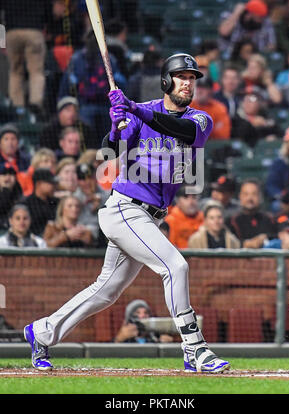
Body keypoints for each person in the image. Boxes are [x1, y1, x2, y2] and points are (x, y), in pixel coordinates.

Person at [24, 52, 230, 373]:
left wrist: (133, 109)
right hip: (124, 208)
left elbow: (180, 131)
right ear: (166, 81)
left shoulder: (200, 120)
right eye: (181, 77)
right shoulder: (142, 112)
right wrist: (118, 124)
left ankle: (42, 332)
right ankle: (194, 348)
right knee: (175, 266)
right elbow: (110, 152)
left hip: (149, 216)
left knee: (105, 291)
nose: (188, 83)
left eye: (192, 78)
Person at [0, 0, 52, 112]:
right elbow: (47, 3)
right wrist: (46, 26)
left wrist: (1, 39)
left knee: (15, 71)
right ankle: (36, 102)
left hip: (11, 32)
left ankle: (18, 106)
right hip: (33, 30)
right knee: (36, 70)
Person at [226, 179, 276, 248]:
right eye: (246, 194)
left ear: (260, 197)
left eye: (254, 194)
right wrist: (245, 244)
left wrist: (265, 237)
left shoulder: (270, 219)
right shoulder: (231, 221)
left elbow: (278, 237)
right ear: (240, 196)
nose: (250, 198)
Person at [266, 125, 289, 211]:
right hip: (286, 199)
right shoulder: (280, 162)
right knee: (276, 205)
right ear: (287, 142)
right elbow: (272, 185)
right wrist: (284, 197)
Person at [74, 162, 110, 245]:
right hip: (83, 241)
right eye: (83, 179)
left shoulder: (108, 195)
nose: (87, 182)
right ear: (78, 181)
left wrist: (101, 203)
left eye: (90, 178)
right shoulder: (74, 199)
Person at [164, 185, 204, 249]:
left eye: (194, 197)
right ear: (178, 201)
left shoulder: (205, 219)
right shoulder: (170, 221)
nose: (191, 202)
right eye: (186, 197)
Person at [24, 168, 59, 237]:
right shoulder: (27, 203)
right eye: (51, 183)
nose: (54, 186)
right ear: (38, 184)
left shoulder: (56, 202)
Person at [0, 164, 23, 230]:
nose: (8, 178)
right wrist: (5, 190)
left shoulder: (19, 193)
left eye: (11, 174)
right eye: (4, 174)